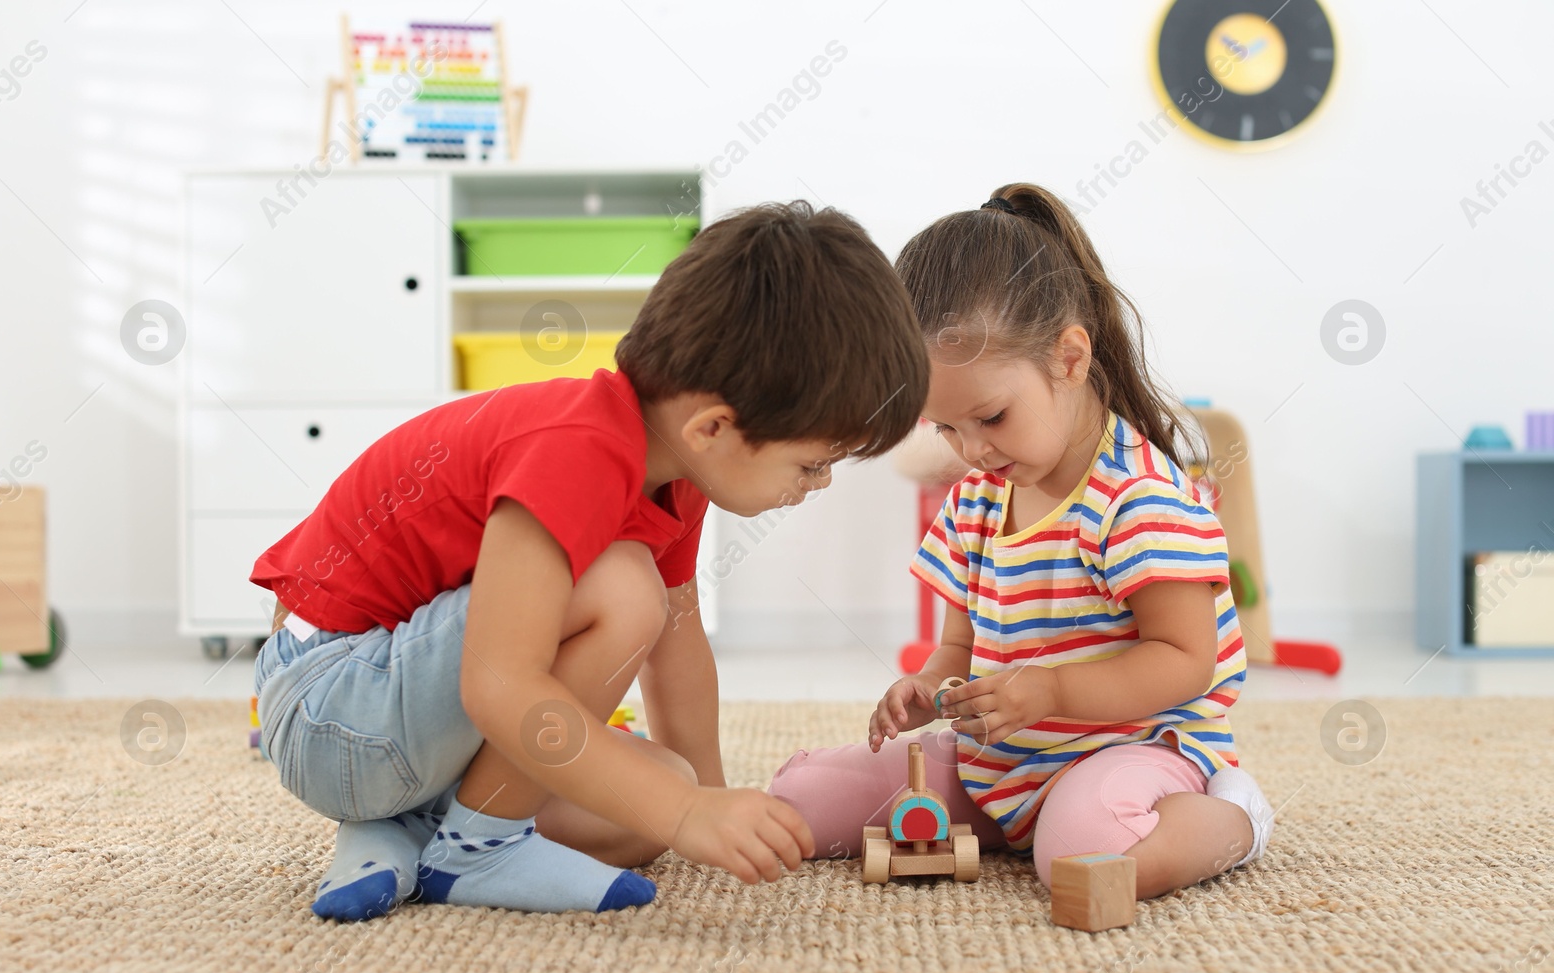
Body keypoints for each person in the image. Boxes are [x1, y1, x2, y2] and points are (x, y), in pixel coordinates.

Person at [251, 201, 928, 920]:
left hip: (408, 717)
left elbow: (677, 652)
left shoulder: (675, 469)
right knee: (624, 593)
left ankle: (410, 830)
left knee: (646, 806)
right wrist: (688, 811)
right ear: (712, 427)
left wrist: (710, 800)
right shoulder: (575, 450)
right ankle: (475, 846)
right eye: (813, 462)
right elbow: (499, 682)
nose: (818, 483)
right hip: (331, 707)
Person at [769, 184, 1274, 899]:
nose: (970, 450)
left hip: (1130, 752)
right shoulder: (979, 498)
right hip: (1002, 761)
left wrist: (1054, 689)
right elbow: (959, 652)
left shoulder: (1138, 498)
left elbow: (1187, 661)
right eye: (945, 429)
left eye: (992, 417)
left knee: (1083, 854)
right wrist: (929, 690)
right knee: (801, 797)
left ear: (1070, 359)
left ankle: (1234, 817)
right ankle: (1022, 818)